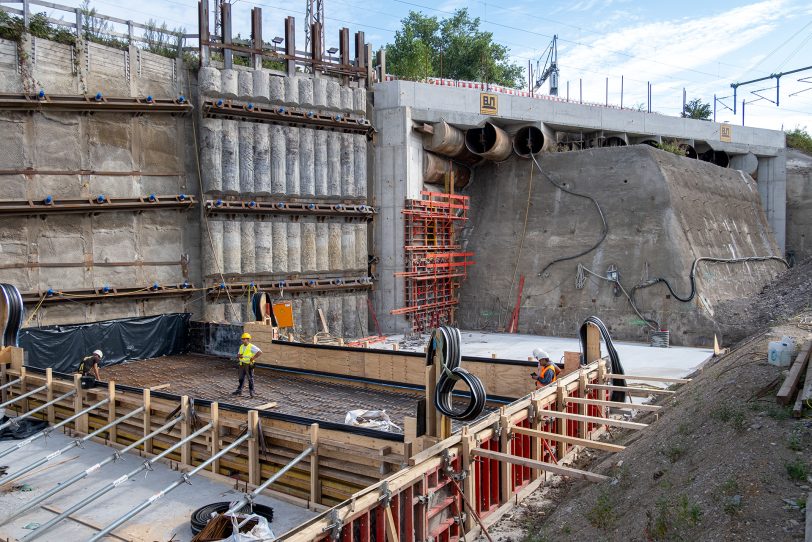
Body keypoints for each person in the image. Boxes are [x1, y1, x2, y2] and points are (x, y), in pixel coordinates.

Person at [233, 332, 262, 398]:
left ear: (247, 339)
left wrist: (253, 358)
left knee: (250, 378)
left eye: (244, 339)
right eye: (242, 339)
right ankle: (239, 390)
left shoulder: (251, 346)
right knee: (241, 378)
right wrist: (239, 356)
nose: (242, 340)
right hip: (241, 364)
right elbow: (238, 354)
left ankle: (252, 392)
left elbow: (260, 352)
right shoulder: (241, 346)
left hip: (248, 365)